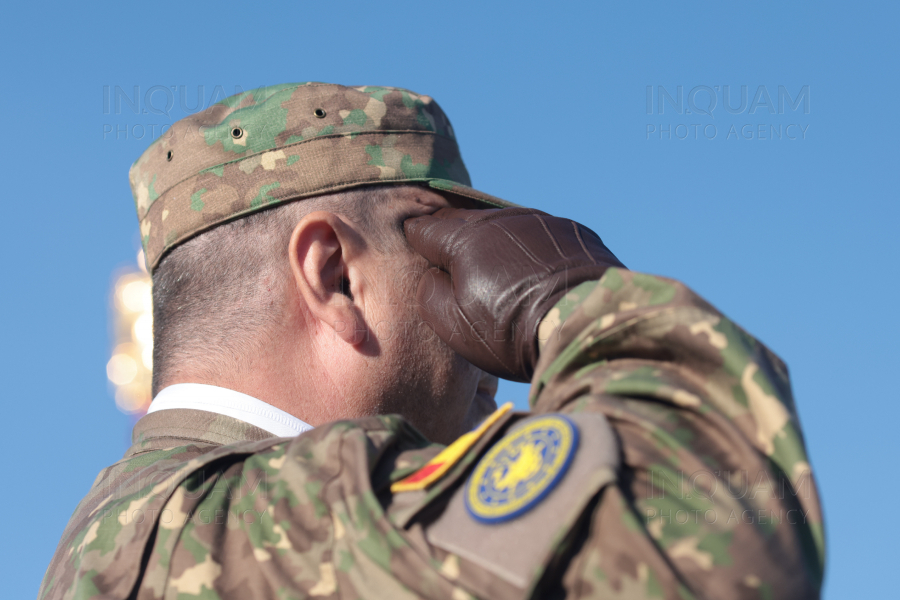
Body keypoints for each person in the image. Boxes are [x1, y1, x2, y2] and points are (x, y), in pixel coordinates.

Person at [39, 82, 824, 599]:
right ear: (335, 273)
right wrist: (578, 303)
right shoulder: (254, 521)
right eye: (441, 251)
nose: (489, 352)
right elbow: (712, 544)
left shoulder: (138, 535)